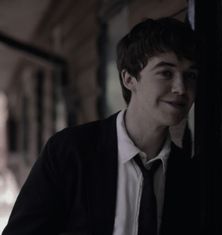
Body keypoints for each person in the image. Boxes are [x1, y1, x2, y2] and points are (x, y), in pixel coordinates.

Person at [2, 17, 202, 235]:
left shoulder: (188, 175)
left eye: (190, 75)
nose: (181, 88)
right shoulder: (69, 152)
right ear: (129, 79)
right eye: (166, 73)